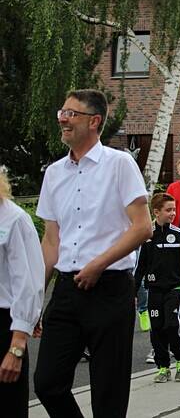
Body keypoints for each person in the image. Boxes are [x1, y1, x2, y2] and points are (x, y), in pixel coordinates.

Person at [34, 89, 152, 418]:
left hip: (110, 289)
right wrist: (33, 299)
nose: (62, 118)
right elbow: (51, 241)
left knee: (108, 394)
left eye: (71, 113)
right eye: (62, 111)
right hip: (68, 291)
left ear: (94, 121)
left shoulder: (120, 164)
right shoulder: (54, 173)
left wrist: (99, 264)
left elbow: (143, 227)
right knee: (47, 383)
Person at [0, 172, 45, 418]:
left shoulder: (14, 219)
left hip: (5, 327)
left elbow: (28, 282)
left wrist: (16, 346)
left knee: (8, 406)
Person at [134, 193, 180, 383]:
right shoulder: (147, 235)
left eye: (174, 209)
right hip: (154, 291)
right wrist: (132, 292)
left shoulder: (178, 234)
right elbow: (140, 267)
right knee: (157, 329)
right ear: (156, 212)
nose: (173, 213)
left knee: (172, 326)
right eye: (168, 210)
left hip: (174, 289)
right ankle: (163, 367)